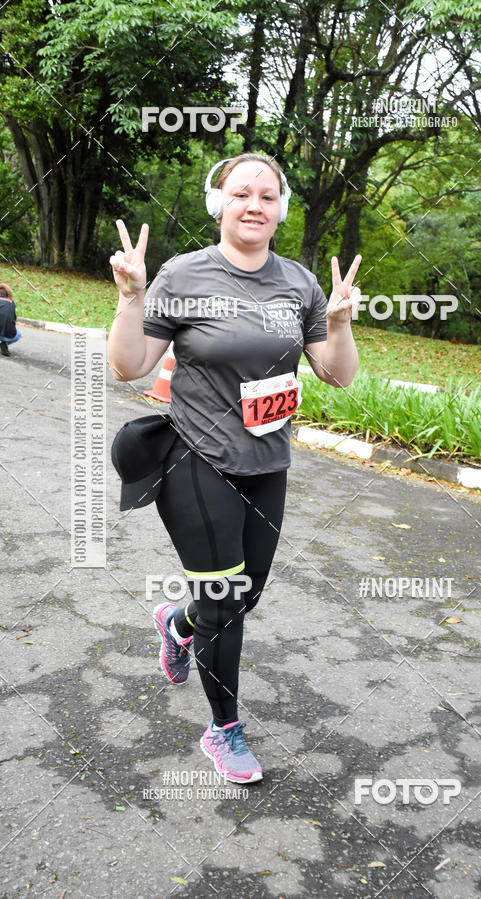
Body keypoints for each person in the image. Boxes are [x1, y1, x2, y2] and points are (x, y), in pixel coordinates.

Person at [107, 152, 360, 784]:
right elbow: (129, 366)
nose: (255, 205)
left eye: (268, 196)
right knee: (224, 594)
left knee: (240, 598)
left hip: (266, 460)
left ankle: (177, 620)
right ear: (219, 203)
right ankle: (224, 730)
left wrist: (337, 324)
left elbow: (337, 374)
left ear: (280, 209)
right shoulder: (184, 273)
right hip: (195, 455)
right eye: (242, 193)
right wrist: (131, 300)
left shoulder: (298, 282)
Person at [0, 282, 21, 356]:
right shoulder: (12, 303)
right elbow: (13, 318)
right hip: (9, 335)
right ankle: (4, 343)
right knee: (18, 334)